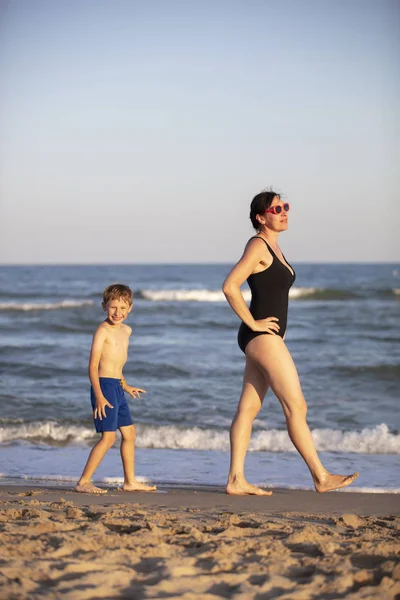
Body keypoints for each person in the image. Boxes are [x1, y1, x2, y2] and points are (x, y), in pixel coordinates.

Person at [222, 190, 359, 495]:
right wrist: (254, 323)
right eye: (276, 208)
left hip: (261, 338)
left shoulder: (273, 245)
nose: (283, 212)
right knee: (296, 405)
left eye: (285, 206)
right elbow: (230, 286)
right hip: (262, 337)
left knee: (248, 409)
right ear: (261, 217)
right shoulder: (258, 245)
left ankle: (235, 479)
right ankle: (320, 476)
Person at [75, 283, 156, 494]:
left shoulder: (126, 330)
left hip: (116, 387)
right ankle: (84, 481)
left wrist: (125, 385)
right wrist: (100, 396)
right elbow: (93, 366)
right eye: (113, 307)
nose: (117, 313)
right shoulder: (102, 331)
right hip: (103, 386)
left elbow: (117, 364)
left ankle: (130, 481)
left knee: (129, 433)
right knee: (109, 437)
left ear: (130, 308)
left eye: (122, 308)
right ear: (104, 307)